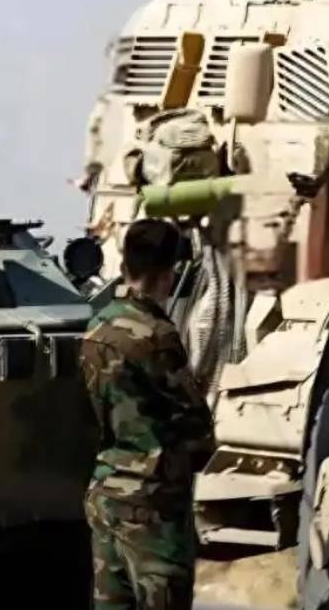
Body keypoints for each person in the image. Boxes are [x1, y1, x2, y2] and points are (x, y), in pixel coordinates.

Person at [80, 219, 215, 610]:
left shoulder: (97, 326)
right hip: (152, 505)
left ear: (125, 265)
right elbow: (196, 425)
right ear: (168, 274)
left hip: (105, 493)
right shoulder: (156, 333)